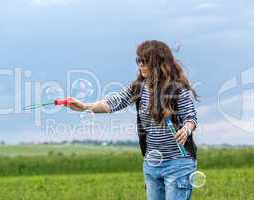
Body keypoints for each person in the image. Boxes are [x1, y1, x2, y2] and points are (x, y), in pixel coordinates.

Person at [66, 40, 199, 200]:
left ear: (158, 63)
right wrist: (83, 106)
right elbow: (112, 103)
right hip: (152, 164)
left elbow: (190, 117)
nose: (140, 65)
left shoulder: (178, 90)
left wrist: (186, 129)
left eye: (145, 61)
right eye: (138, 60)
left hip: (178, 164)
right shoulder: (138, 88)